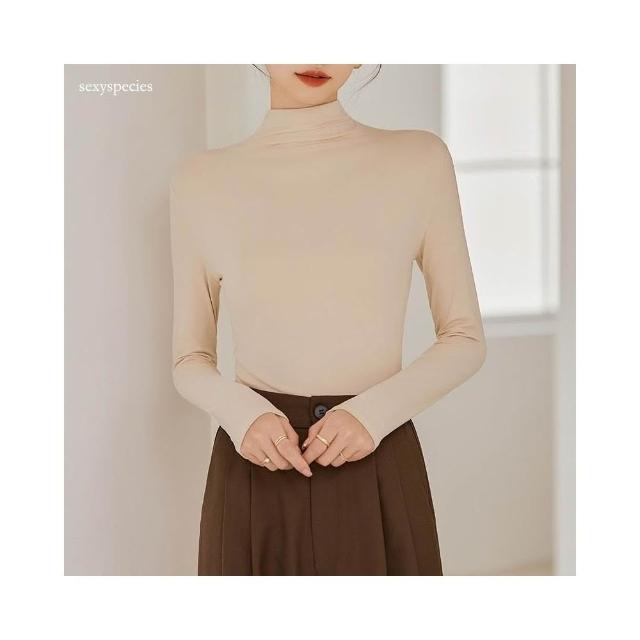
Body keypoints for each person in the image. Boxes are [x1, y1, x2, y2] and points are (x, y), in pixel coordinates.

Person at [169, 64, 487, 575]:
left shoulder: (418, 161)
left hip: (376, 459)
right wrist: (243, 416)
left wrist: (372, 415)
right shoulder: (200, 180)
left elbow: (464, 337)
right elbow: (190, 359)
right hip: (254, 465)